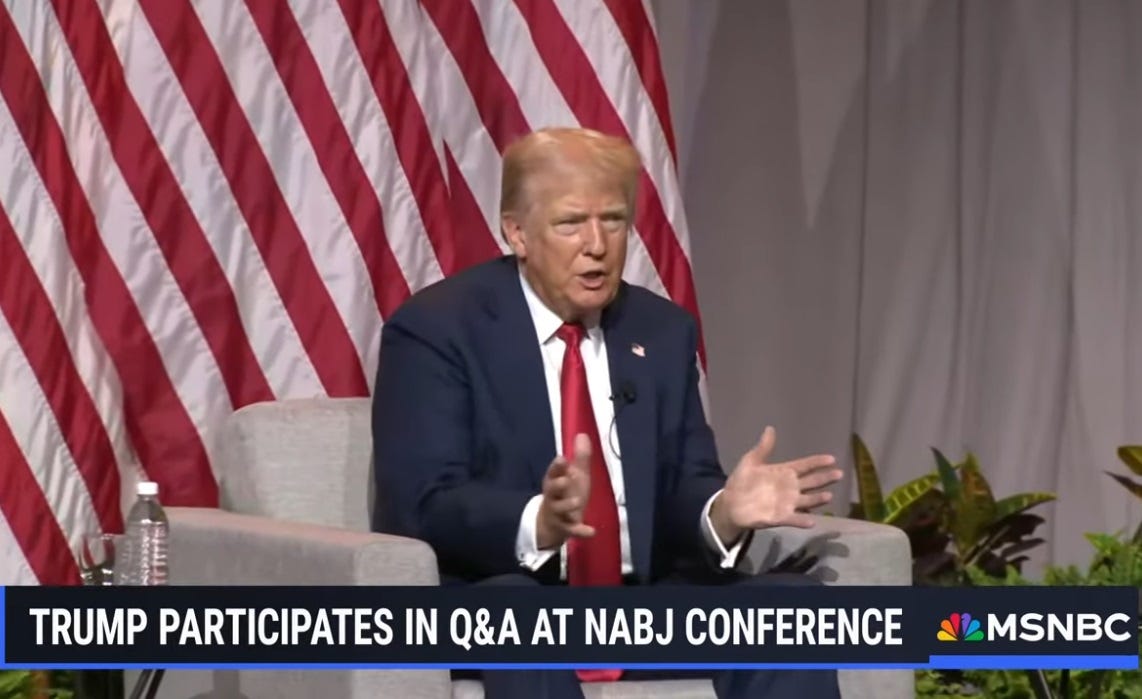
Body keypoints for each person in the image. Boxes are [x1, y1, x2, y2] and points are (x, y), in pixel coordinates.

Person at [372, 127, 843, 699]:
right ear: (516, 232)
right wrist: (536, 523)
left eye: (613, 220)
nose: (596, 244)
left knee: (788, 607)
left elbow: (682, 487)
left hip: (633, 607)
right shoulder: (438, 329)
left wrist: (723, 513)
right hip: (500, 595)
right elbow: (423, 504)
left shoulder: (661, 331)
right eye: (571, 223)